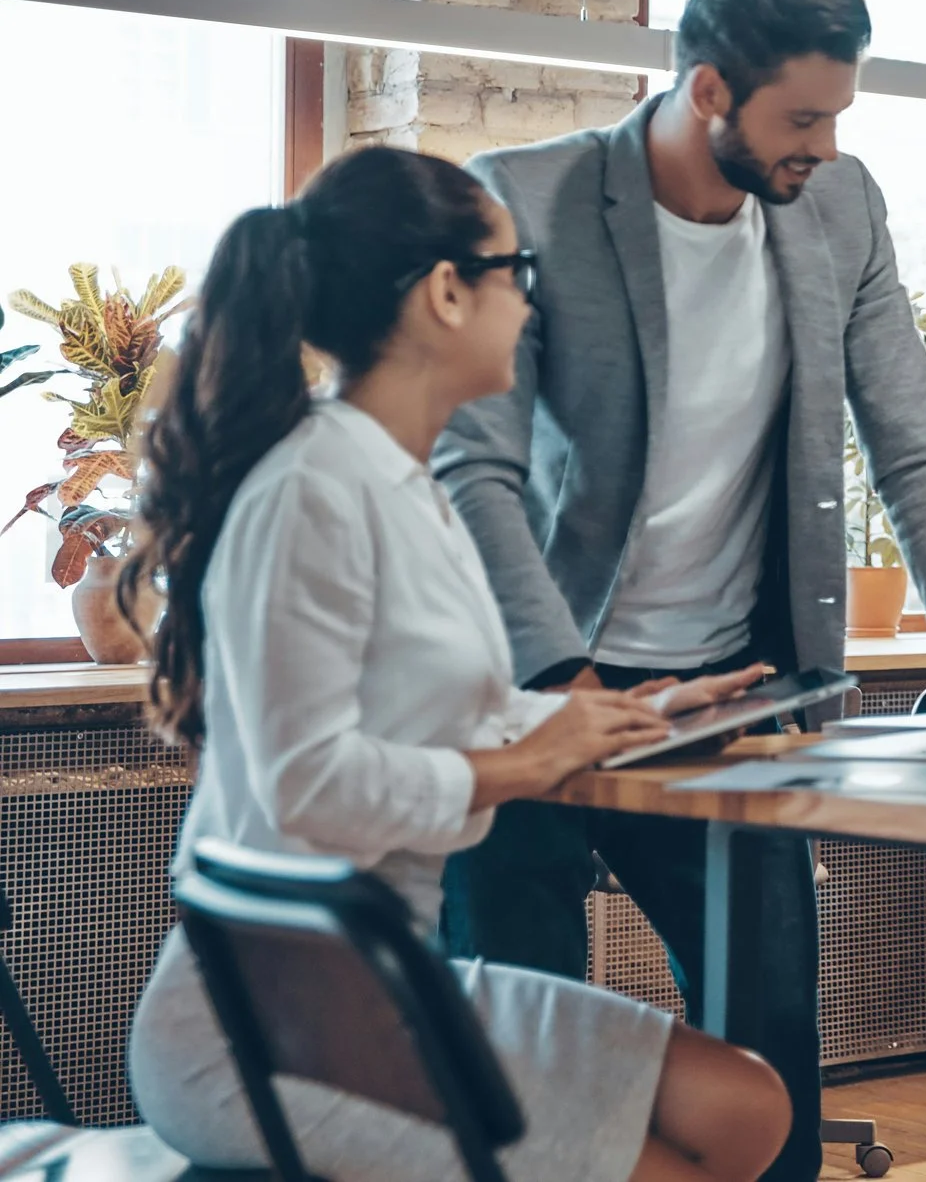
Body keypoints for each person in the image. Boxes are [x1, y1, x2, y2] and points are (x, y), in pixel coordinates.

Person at [434, 0, 926, 1180]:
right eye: (801, 116)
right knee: (517, 1053)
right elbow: (473, 467)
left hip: (731, 696)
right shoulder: (527, 201)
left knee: (769, 1048)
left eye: (838, 112)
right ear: (708, 90)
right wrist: (563, 673)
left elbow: (911, 439)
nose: (824, 142)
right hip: (534, 696)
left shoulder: (840, 208)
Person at [121, 146, 789, 1182]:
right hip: (264, 1032)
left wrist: (632, 712)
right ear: (444, 293)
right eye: (517, 275)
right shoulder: (312, 491)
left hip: (374, 990)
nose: (532, 306)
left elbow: (438, 714)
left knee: (744, 1103)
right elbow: (307, 782)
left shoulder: (403, 482)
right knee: (685, 1154)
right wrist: (519, 769)